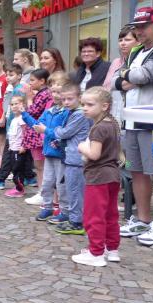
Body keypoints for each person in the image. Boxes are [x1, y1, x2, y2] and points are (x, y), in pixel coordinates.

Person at [116, 7, 153, 243]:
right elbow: (118, 80)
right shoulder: (136, 50)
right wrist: (128, 76)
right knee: (136, 171)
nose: (139, 31)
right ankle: (143, 219)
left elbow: (145, 76)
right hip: (132, 121)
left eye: (143, 26)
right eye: (136, 27)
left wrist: (128, 76)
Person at [73, 86, 122, 267]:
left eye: (90, 105)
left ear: (104, 106)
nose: (84, 108)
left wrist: (81, 147)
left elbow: (94, 154)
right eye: (83, 104)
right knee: (110, 214)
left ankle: (96, 253)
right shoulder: (112, 123)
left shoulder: (99, 128)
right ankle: (112, 248)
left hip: (98, 177)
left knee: (94, 216)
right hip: (113, 176)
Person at [22, 74, 71, 224]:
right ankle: (47, 206)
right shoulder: (49, 110)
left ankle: (65, 210)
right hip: (49, 153)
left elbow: (63, 132)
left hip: (61, 154)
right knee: (47, 182)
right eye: (53, 92)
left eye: (59, 92)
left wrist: (47, 132)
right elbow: (37, 124)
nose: (55, 95)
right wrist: (24, 114)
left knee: (61, 184)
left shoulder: (68, 112)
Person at [50, 83, 92, 235]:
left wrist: (56, 131)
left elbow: (65, 132)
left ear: (79, 98)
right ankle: (76, 218)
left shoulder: (79, 114)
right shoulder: (72, 113)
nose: (66, 102)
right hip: (71, 157)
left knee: (74, 191)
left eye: (70, 99)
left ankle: (76, 222)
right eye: (64, 99)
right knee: (72, 190)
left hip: (76, 159)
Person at [22, 69, 52, 205]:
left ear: (42, 81)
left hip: (38, 133)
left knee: (40, 165)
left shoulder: (44, 94)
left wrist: (29, 99)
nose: (30, 83)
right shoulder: (41, 93)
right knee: (39, 165)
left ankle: (43, 193)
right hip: (36, 132)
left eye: (33, 80)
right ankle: (41, 191)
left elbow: (32, 111)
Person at [105, 25, 139, 123]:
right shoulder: (116, 62)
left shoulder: (140, 61)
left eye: (127, 40)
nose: (123, 43)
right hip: (113, 110)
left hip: (132, 110)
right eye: (120, 40)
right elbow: (107, 86)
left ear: (138, 42)